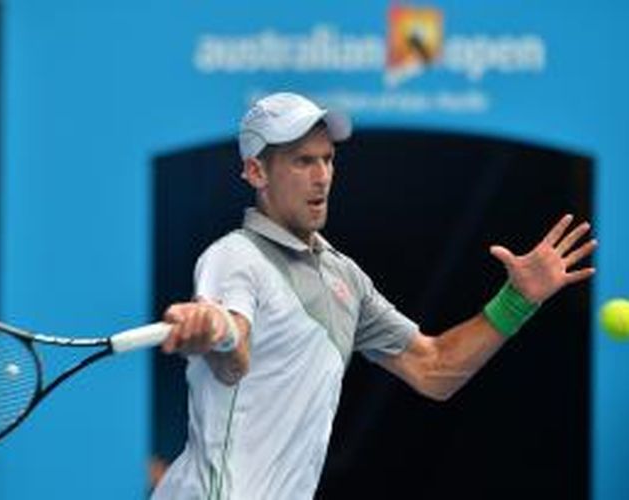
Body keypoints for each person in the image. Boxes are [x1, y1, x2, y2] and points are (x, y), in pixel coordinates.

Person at [150, 92, 597, 500]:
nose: (321, 177)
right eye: (302, 162)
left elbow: (435, 368)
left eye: (327, 160)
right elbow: (235, 354)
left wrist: (517, 299)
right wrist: (215, 330)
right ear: (255, 171)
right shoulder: (235, 257)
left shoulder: (345, 277)